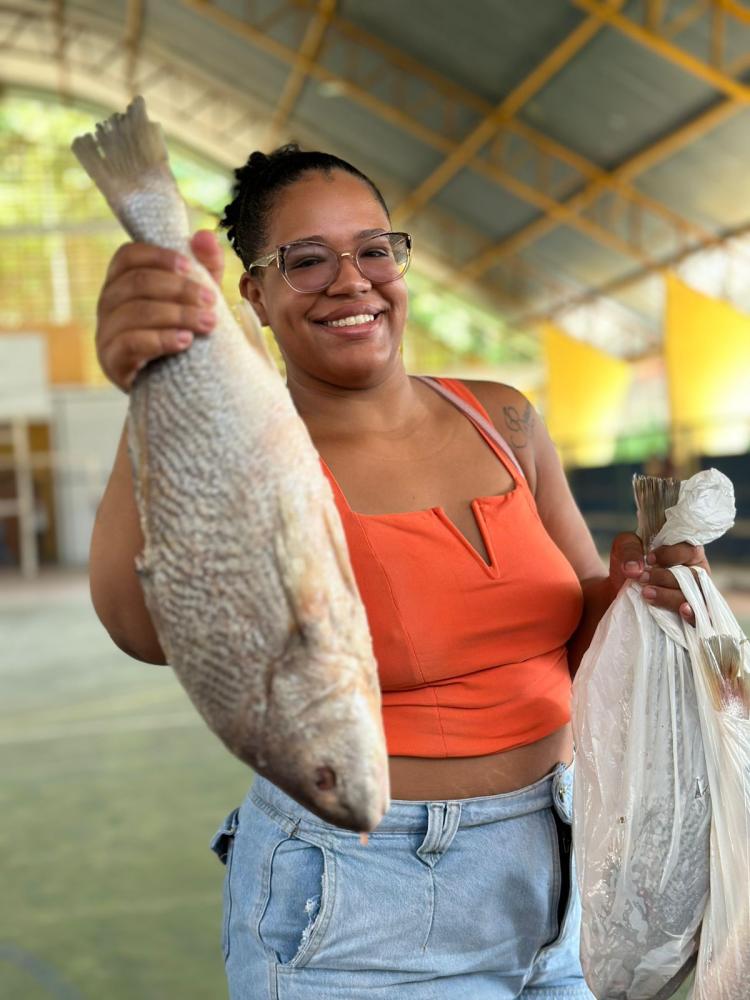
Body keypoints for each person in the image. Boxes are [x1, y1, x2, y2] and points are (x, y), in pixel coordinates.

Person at [89, 145, 708, 999]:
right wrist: (153, 392)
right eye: (306, 261)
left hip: (565, 871)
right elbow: (140, 628)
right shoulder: (253, 451)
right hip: (364, 903)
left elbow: (578, 626)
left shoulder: (501, 415)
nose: (352, 280)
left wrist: (651, 595)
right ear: (256, 296)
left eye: (374, 249)